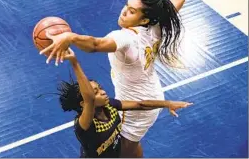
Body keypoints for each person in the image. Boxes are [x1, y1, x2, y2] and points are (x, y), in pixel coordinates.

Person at [40, 0, 186, 157]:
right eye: (126, 6)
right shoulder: (157, 24)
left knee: (123, 153)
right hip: (150, 95)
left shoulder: (124, 38)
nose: (124, 12)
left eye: (132, 11)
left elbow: (96, 44)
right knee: (134, 144)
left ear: (144, 20)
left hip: (137, 109)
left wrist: (70, 36)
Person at [57, 48, 192, 158]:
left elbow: (140, 105)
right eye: (96, 92)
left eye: (100, 88)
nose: (103, 92)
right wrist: (74, 62)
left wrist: (167, 103)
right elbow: (89, 99)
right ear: (83, 103)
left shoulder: (110, 105)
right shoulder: (85, 125)